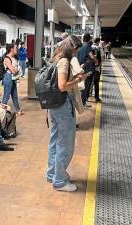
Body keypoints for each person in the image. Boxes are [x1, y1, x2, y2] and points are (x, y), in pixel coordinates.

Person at [47, 36, 87, 192]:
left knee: (55, 139)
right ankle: (60, 181)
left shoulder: (56, 57)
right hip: (63, 105)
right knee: (65, 143)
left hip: (55, 105)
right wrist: (78, 80)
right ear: (72, 48)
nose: (77, 53)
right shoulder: (64, 61)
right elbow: (62, 86)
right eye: (76, 50)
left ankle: (52, 174)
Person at [2, 44, 25, 116]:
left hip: (13, 78)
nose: (17, 50)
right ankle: (2, 111)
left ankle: (18, 110)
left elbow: (15, 69)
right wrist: (17, 69)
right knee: (6, 95)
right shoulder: (7, 58)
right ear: (11, 49)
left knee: (15, 95)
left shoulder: (14, 58)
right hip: (8, 77)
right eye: (16, 48)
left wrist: (16, 69)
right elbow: (13, 70)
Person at [77, 33, 98, 107]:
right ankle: (83, 103)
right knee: (86, 86)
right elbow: (92, 57)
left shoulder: (80, 46)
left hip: (80, 68)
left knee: (82, 86)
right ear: (89, 39)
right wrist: (96, 61)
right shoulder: (88, 47)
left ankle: (82, 102)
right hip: (87, 70)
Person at [92, 38, 102, 102]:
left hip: (89, 68)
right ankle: (96, 98)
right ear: (98, 41)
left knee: (88, 83)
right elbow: (101, 58)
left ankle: (86, 97)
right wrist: (99, 65)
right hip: (96, 68)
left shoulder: (90, 47)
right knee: (96, 83)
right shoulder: (98, 48)